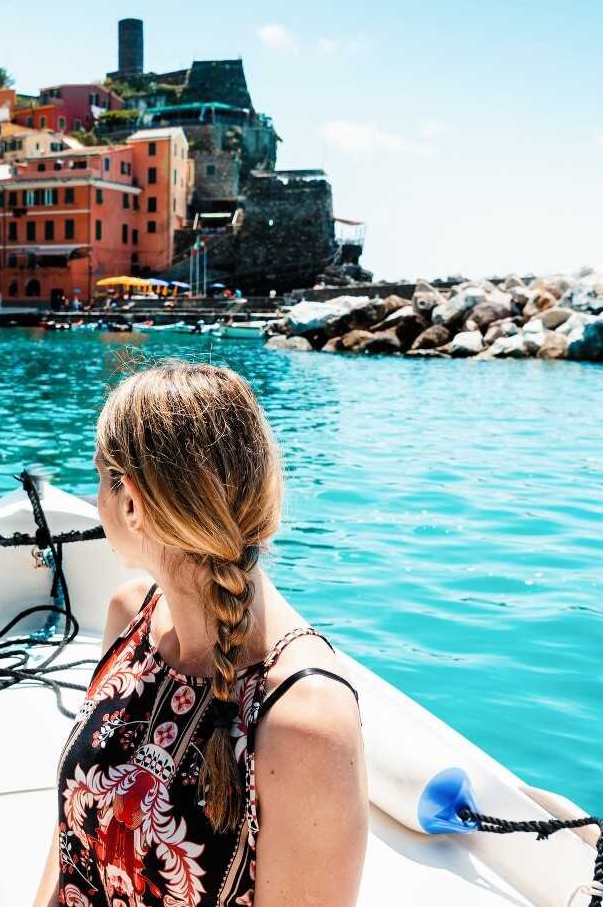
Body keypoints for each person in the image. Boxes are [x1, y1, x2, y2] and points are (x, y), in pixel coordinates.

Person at [34, 363, 367, 907]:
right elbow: (72, 838)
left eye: (98, 476)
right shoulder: (129, 617)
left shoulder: (304, 721)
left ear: (134, 503)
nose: (95, 501)